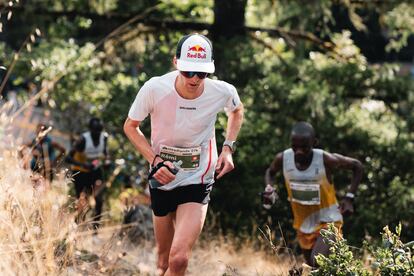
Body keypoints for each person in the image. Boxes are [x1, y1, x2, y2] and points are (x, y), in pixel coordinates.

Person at [124, 33, 244, 275]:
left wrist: (228, 148)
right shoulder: (155, 88)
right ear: (176, 62)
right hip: (162, 177)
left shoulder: (221, 91)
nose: (195, 78)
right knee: (163, 260)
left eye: (202, 73)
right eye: (188, 71)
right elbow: (130, 126)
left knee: (178, 260)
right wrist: (155, 161)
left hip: (198, 177)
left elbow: (237, 110)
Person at [263, 122, 363, 267]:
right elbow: (270, 172)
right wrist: (269, 188)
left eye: (304, 147)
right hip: (303, 224)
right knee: (311, 266)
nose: (299, 152)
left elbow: (357, 166)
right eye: (295, 147)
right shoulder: (283, 158)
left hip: (329, 220)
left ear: (314, 143)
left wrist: (349, 198)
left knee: (317, 261)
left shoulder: (325, 159)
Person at [66, 117, 109, 231]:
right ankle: (77, 226)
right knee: (81, 200)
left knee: (98, 200)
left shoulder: (104, 138)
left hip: (95, 171)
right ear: (90, 130)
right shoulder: (83, 140)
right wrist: (84, 165)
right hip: (81, 171)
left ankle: (95, 231)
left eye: (99, 131)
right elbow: (68, 158)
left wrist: (106, 161)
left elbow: (104, 154)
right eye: (95, 131)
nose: (97, 134)